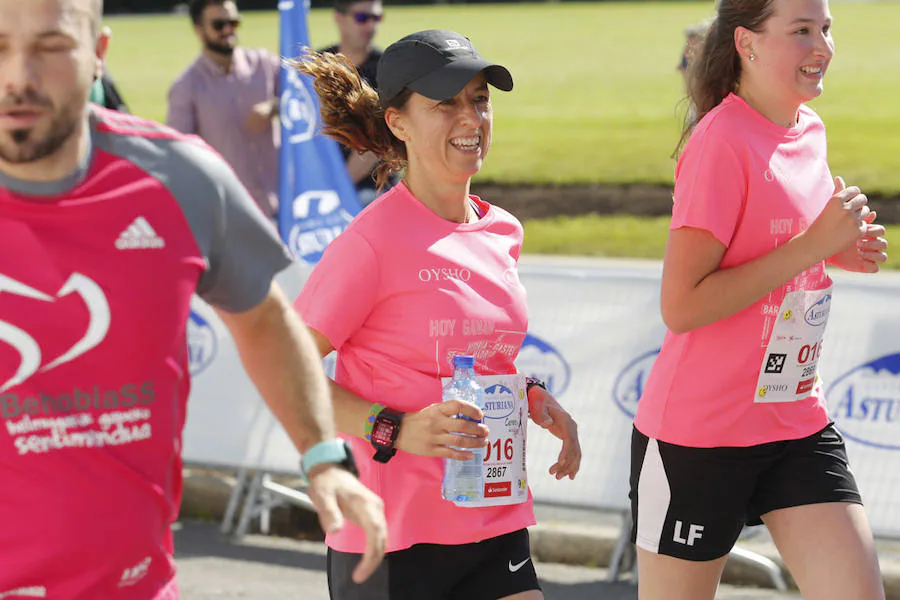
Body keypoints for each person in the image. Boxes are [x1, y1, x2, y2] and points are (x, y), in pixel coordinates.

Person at [0, 0, 386, 597]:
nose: (18, 75)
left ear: (99, 55)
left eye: (50, 47)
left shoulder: (180, 178)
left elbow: (263, 320)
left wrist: (321, 458)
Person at [291, 30, 582, 600]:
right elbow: (287, 375)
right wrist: (395, 429)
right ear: (397, 121)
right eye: (445, 103)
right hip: (394, 537)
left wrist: (532, 400)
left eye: (479, 98)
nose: (471, 117)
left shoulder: (502, 231)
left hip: (493, 513)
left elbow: (476, 359)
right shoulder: (370, 242)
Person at [629, 0, 888, 598]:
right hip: (701, 437)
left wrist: (836, 251)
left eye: (826, 29)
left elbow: (783, 248)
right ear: (747, 43)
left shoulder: (809, 131)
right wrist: (811, 246)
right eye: (801, 31)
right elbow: (684, 306)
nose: (821, 45)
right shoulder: (720, 140)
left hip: (794, 417)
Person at [167, 0, 280, 219]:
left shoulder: (264, 64)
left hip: (281, 203)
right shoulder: (186, 87)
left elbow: (304, 94)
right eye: (219, 25)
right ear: (199, 30)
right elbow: (178, 156)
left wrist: (276, 106)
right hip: (230, 215)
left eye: (233, 23)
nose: (228, 30)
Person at [318, 0, 394, 207]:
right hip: (321, 179)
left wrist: (337, 190)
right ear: (339, 18)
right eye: (362, 18)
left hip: (371, 185)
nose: (371, 26)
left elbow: (376, 147)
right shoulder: (318, 65)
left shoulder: (387, 69)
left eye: (377, 18)